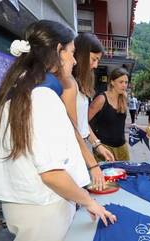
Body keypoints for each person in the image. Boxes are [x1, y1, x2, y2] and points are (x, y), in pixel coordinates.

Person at [0, 20, 116, 241]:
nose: (74, 60)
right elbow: (51, 173)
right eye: (71, 53)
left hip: (26, 205)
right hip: (43, 208)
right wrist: (89, 202)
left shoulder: (21, 90)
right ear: (57, 52)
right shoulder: (43, 97)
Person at [61, 32, 114, 191]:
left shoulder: (78, 83)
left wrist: (98, 145)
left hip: (82, 147)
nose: (96, 65)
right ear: (81, 55)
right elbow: (72, 130)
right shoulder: (69, 84)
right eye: (94, 59)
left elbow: (83, 123)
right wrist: (93, 164)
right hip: (73, 150)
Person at [89, 68, 130, 161]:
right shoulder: (101, 99)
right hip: (104, 148)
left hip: (122, 147)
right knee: (106, 175)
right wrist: (96, 143)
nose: (124, 85)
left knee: (125, 175)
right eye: (121, 82)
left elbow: (117, 122)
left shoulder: (124, 97)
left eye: (126, 82)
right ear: (112, 82)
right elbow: (83, 122)